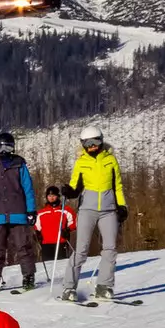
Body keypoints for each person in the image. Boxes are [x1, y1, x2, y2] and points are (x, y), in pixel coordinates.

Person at [62, 126, 125, 303]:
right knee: (81, 249)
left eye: (95, 142)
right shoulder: (81, 162)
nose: (92, 147)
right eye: (87, 144)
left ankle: (104, 286)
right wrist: (70, 191)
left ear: (101, 140)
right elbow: (76, 186)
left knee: (110, 248)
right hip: (87, 210)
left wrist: (122, 206)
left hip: (108, 210)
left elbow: (117, 186)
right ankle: (69, 287)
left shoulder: (111, 160)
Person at [0, 131, 37, 291]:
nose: (3, 151)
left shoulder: (20, 165)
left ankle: (28, 275)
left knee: (23, 245)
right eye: (0, 148)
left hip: (18, 213)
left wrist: (31, 210)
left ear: (12, 148)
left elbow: (28, 189)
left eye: (7, 147)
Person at [35, 186, 74, 265]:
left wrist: (68, 230)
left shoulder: (65, 210)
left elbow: (73, 222)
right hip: (46, 243)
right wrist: (37, 234)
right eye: (49, 196)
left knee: (61, 265)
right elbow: (37, 226)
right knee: (48, 265)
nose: (51, 198)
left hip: (61, 242)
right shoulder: (41, 212)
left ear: (58, 196)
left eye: (53, 196)